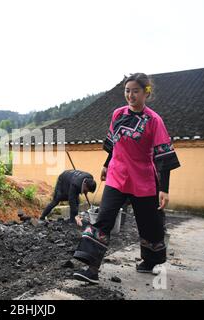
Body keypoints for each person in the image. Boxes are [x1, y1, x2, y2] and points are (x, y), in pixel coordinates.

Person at [73, 73, 180, 284]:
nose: (130, 95)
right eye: (127, 90)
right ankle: (91, 268)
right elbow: (114, 144)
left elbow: (163, 156)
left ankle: (150, 261)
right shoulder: (118, 114)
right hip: (117, 176)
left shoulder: (154, 121)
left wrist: (164, 189)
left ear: (146, 92)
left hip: (143, 179)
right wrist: (106, 165)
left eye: (135, 91)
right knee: (104, 218)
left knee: (149, 223)